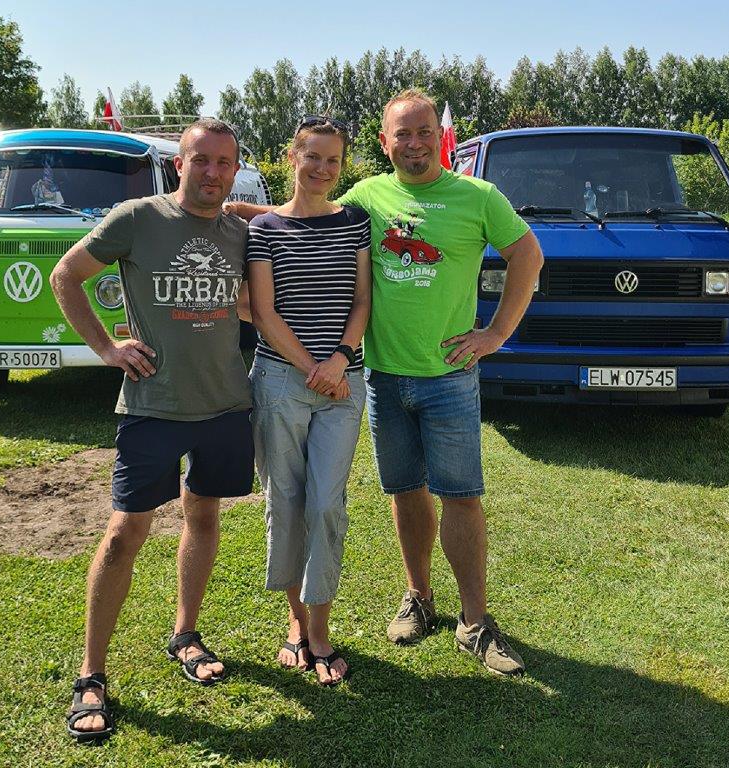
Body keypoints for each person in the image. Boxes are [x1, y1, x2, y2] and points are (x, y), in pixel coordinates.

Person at [229, 89, 544, 676]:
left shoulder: (478, 196)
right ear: (384, 142)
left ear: (440, 137)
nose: (415, 143)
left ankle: (475, 621)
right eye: (403, 133)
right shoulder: (367, 198)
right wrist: (240, 212)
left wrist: (496, 333)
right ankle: (418, 597)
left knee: (462, 495)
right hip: (382, 377)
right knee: (404, 491)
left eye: (425, 132)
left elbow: (528, 256)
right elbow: (307, 208)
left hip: (449, 376)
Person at [51, 118, 254, 742]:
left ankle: (185, 634)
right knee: (123, 533)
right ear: (179, 164)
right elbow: (65, 276)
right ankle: (91, 674)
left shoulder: (239, 231)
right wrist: (106, 348)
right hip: (152, 405)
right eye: (201, 160)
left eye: (224, 162)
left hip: (225, 405)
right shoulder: (138, 217)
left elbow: (285, 225)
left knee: (204, 516)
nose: (213, 172)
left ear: (235, 169)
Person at [241, 115, 371, 685]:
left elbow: (363, 300)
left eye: (333, 160)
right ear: (292, 157)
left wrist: (338, 360)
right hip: (281, 381)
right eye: (312, 156)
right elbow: (264, 312)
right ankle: (297, 623)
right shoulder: (264, 229)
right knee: (286, 502)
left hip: (343, 384)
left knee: (325, 505)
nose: (322, 168)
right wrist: (311, 367)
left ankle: (320, 628)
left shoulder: (355, 222)